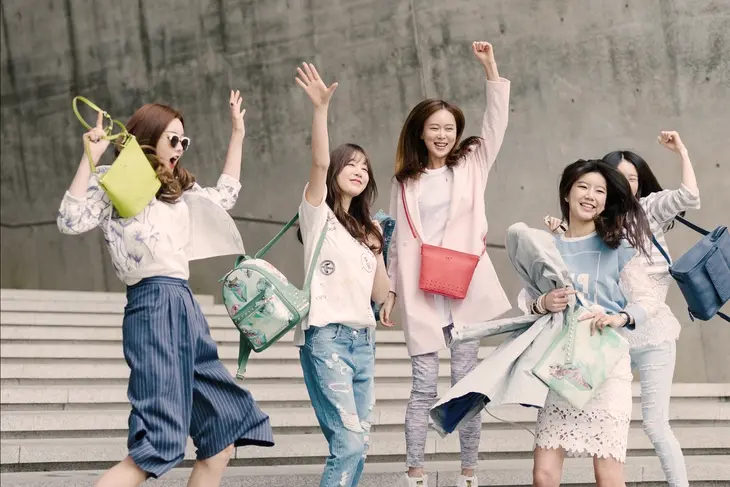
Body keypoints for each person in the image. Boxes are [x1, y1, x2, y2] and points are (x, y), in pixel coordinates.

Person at [56, 91, 274, 487]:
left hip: (184, 306)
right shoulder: (115, 179)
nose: (180, 147)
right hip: (151, 305)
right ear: (148, 136)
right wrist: (91, 159)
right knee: (156, 442)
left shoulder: (179, 189)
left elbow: (224, 196)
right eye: (173, 138)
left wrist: (238, 133)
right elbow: (70, 220)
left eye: (184, 141)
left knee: (222, 435)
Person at [380, 41, 511, 487]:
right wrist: (392, 291)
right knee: (422, 387)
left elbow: (496, 123)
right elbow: (397, 242)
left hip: (463, 288)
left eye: (449, 128)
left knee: (467, 385)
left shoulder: (473, 163)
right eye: (434, 128)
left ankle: (469, 471)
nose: (442, 135)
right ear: (420, 132)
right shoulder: (406, 181)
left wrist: (491, 68)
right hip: (421, 290)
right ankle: (414, 470)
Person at [546, 132, 700, 486]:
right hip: (614, 336)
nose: (627, 184)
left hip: (654, 331)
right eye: (620, 177)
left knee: (656, 424)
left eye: (633, 177)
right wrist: (561, 232)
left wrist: (682, 152)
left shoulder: (648, 209)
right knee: (611, 424)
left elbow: (690, 196)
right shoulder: (598, 219)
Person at [294, 62, 390, 487]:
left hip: (363, 341)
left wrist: (380, 246)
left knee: (360, 446)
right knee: (347, 444)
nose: (359, 170)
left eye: (365, 167)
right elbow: (317, 162)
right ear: (335, 172)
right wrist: (320, 110)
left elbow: (383, 292)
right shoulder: (318, 217)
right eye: (350, 164)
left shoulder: (368, 230)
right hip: (327, 338)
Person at [532, 159, 657, 487]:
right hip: (562, 367)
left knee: (608, 473)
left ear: (607, 200)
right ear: (567, 193)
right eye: (583, 187)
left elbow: (647, 300)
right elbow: (527, 303)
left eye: (599, 190)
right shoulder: (548, 247)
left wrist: (619, 317)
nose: (590, 195)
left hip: (606, 368)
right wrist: (543, 303)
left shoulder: (618, 247)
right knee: (543, 474)